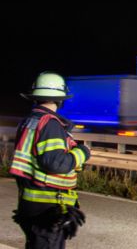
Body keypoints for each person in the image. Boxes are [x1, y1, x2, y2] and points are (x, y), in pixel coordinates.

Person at [9, 72, 91, 249]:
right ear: (60, 99)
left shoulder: (30, 121)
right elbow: (55, 163)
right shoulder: (50, 123)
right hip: (47, 207)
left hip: (31, 202)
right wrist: (82, 152)